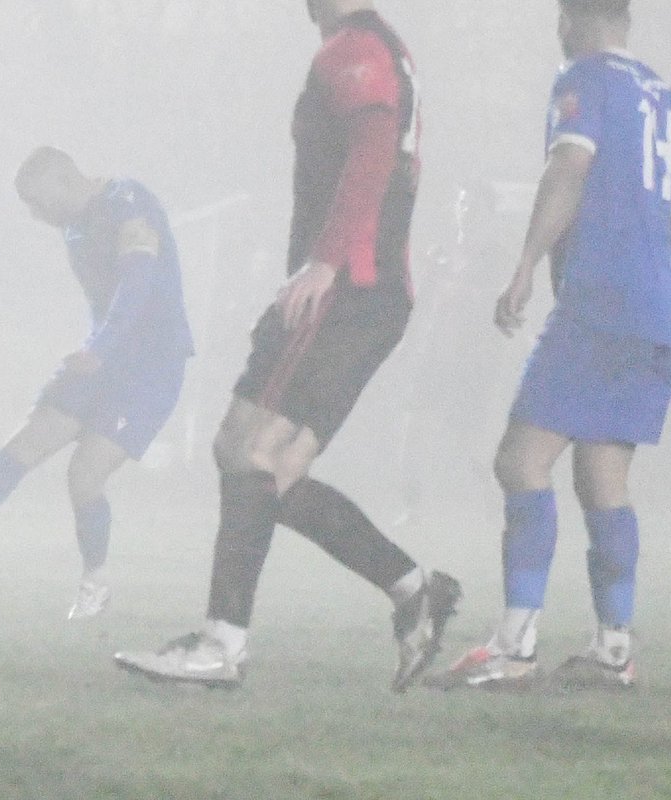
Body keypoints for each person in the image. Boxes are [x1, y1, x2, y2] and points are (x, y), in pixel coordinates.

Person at [113, 0, 460, 692]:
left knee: (245, 449)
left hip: (350, 285)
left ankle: (221, 645)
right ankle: (412, 588)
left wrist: (325, 262)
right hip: (372, 290)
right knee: (275, 471)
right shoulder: (382, 45)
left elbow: (374, 150)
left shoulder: (352, 48)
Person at [434, 0, 671, 691]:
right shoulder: (660, 94)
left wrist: (524, 265)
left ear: (572, 18)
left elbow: (568, 167)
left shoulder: (584, 78)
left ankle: (514, 645)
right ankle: (614, 648)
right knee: (603, 477)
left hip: (602, 300)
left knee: (519, 461)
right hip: (657, 308)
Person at [0, 146, 194, 620]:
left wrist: (102, 346)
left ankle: (94, 582)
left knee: (84, 475)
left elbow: (138, 282)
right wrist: (98, 349)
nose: (35, 215)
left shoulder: (128, 202)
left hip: (150, 363)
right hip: (100, 357)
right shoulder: (74, 226)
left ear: (64, 179)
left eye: (37, 202)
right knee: (24, 443)